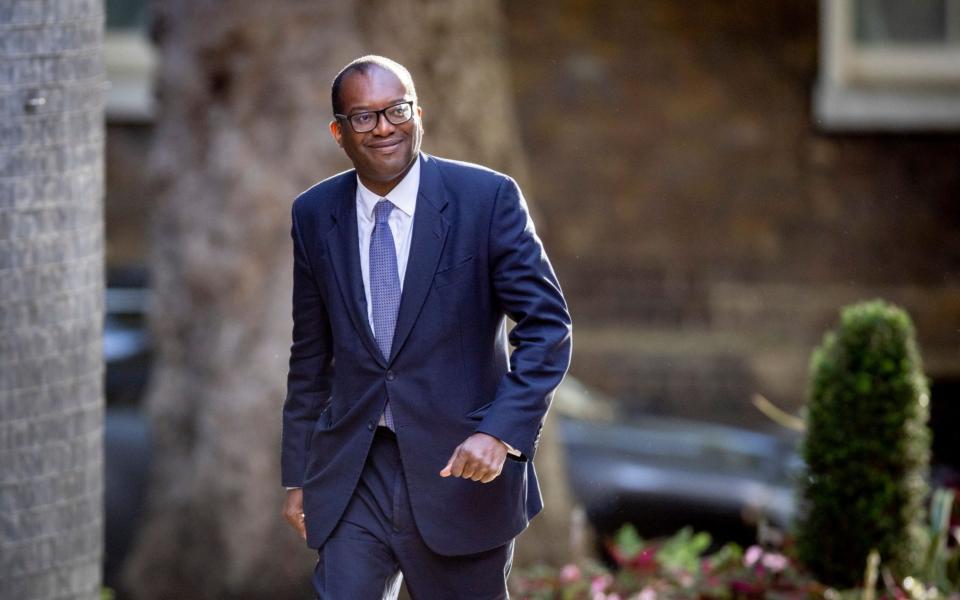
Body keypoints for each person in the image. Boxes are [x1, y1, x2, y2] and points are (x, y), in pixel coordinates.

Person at [279, 55, 572, 599]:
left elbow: (546, 326)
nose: (384, 126)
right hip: (354, 473)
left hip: (458, 473)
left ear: (419, 113)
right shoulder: (314, 213)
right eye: (364, 117)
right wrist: (298, 476)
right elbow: (310, 355)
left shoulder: (486, 199)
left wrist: (500, 433)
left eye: (397, 109)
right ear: (338, 131)